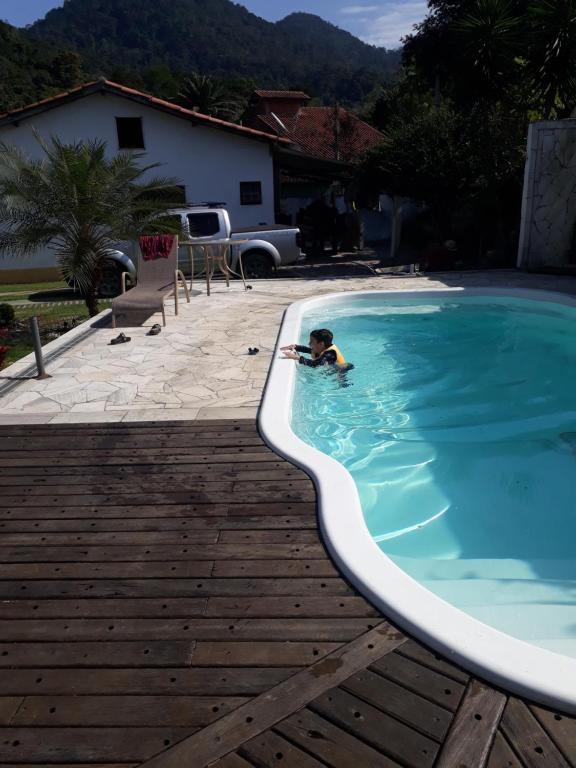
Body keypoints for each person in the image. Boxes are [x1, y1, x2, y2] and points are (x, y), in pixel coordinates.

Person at [281, 328, 352, 371]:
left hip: (342, 371)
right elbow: (310, 350)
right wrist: (296, 347)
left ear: (321, 344)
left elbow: (316, 364)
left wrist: (297, 357)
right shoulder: (323, 348)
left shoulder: (330, 354)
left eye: (312, 341)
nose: (309, 343)